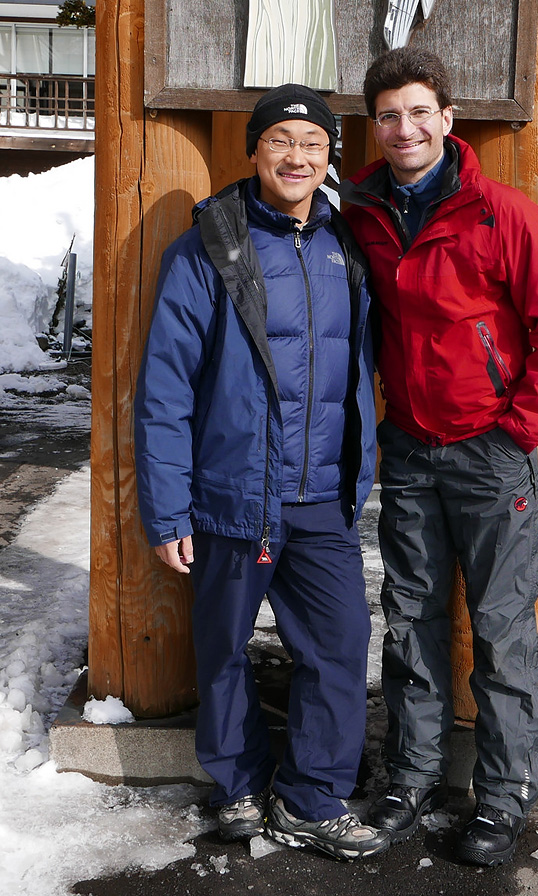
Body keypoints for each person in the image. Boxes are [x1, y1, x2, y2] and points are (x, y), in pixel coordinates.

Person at [339, 47, 538, 867]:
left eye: (418, 112)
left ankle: (503, 793)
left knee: (498, 630)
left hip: (490, 454)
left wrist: (519, 428)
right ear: (373, 128)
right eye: (387, 116)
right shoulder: (364, 213)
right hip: (410, 449)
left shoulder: (500, 212)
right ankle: (409, 781)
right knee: (408, 623)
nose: (403, 128)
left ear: (446, 120)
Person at [134, 84, 389, 862]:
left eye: (312, 145)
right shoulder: (210, 244)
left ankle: (313, 797)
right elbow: (165, 389)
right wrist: (167, 509)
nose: (296, 156)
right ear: (254, 150)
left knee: (339, 649)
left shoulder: (347, 245)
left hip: (321, 497)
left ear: (327, 160)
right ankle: (238, 784)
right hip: (233, 495)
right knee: (223, 650)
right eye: (280, 140)